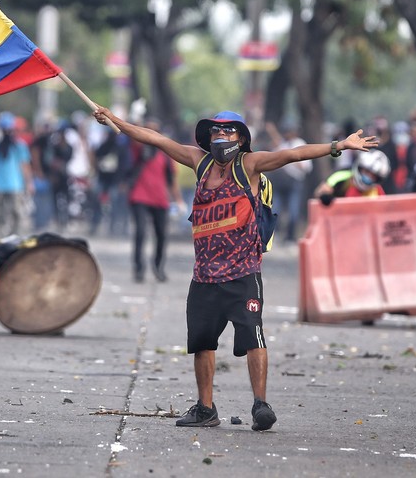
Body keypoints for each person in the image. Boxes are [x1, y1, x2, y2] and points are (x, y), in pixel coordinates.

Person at [92, 105, 377, 432]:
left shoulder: (249, 165)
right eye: (215, 131)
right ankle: (205, 408)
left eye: (227, 131)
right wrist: (114, 121)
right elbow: (155, 139)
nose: (220, 136)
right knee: (202, 342)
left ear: (241, 138)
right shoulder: (200, 163)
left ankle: (260, 404)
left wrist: (338, 146)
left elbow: (293, 154)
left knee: (253, 336)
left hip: (243, 272)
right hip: (205, 275)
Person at [126, 117, 183, 283]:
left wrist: (178, 201)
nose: (151, 134)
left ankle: (158, 267)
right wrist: (136, 122)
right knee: (141, 233)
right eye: (147, 130)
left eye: (155, 130)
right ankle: (139, 269)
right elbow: (133, 137)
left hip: (160, 199)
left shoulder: (166, 153)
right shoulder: (140, 148)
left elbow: (171, 180)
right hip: (139, 196)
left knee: (161, 235)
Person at [0, 112, 33, 238]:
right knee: (0, 214)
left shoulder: (19, 146)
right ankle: (0, 236)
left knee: (16, 213)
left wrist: (29, 183)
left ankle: (14, 236)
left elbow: (25, 166)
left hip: (15, 185)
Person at [264, 122, 312, 242]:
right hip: (280, 182)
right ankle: (271, 235)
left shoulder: (300, 144)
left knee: (293, 210)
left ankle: (290, 236)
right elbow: (275, 152)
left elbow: (305, 167)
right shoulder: (283, 144)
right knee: (275, 209)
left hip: (294, 181)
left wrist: (292, 158)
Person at [313, 149, 391, 204]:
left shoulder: (377, 190)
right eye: (367, 172)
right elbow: (320, 192)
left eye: (373, 176)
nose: (369, 177)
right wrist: (325, 197)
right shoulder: (341, 175)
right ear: (360, 168)